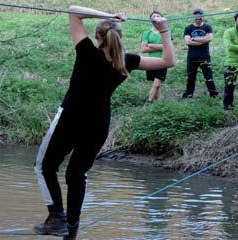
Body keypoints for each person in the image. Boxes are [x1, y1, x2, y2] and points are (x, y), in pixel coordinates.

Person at [33, 6, 175, 239]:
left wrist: (107, 15)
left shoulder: (86, 51)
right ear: (119, 38)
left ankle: (57, 216)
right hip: (98, 123)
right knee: (76, 175)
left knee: (45, 166)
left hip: (70, 117)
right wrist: (164, 30)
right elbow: (169, 61)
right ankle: (71, 231)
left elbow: (72, 11)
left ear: (98, 36)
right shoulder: (127, 61)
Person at [182, 8, 218, 98]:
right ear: (193, 17)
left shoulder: (207, 27)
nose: (198, 17)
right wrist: (203, 40)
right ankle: (189, 94)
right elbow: (187, 42)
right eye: (196, 16)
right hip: (192, 56)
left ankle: (213, 94)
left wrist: (194, 39)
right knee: (191, 77)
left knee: (208, 76)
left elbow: (209, 38)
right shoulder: (188, 28)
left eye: (200, 15)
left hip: (204, 56)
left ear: (203, 16)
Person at [141, 11, 171, 101]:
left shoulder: (166, 32)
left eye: (158, 16)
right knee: (153, 85)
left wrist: (151, 45)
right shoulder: (146, 33)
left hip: (163, 61)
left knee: (157, 84)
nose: (156, 17)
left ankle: (149, 102)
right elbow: (143, 49)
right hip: (150, 61)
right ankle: (157, 103)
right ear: (151, 20)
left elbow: (168, 47)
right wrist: (161, 47)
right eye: (154, 16)